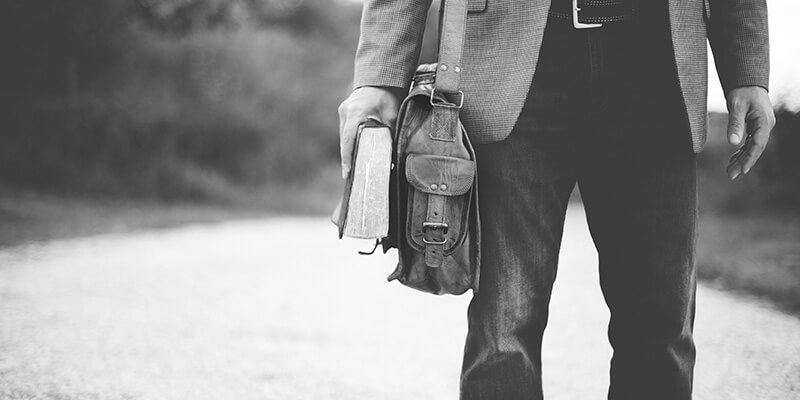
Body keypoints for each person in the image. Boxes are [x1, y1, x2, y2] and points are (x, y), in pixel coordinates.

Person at [337, 0, 774, 398]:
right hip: (513, 64)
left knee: (659, 328)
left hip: (657, 63)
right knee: (503, 330)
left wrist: (747, 67)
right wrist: (380, 76)